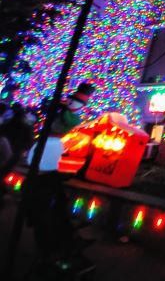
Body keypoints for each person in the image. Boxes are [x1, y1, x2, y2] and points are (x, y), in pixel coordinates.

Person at [26, 82, 95, 264]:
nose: (74, 104)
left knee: (56, 201)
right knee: (51, 203)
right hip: (45, 161)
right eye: (73, 101)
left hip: (47, 159)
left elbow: (66, 118)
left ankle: (66, 240)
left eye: (78, 103)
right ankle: (61, 243)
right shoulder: (60, 113)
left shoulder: (71, 118)